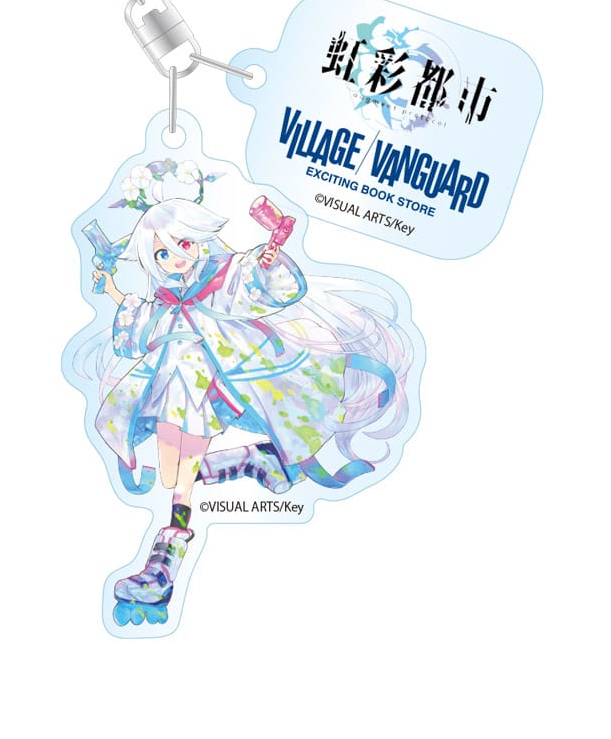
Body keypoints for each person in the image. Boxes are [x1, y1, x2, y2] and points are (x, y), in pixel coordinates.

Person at [87, 196, 413, 624]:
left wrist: (267, 260)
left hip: (214, 385)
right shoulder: (168, 298)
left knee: (179, 482)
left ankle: (163, 565)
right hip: (173, 385)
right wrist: (112, 290)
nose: (176, 258)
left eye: (183, 244)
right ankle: (253, 461)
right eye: (163, 253)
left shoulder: (221, 279)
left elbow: (258, 285)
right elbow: (143, 323)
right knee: (170, 474)